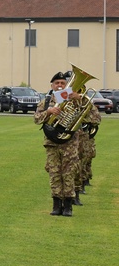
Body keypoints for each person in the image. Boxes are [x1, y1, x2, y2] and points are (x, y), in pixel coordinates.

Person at [34, 71, 82, 216]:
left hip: (69, 143)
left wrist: (78, 99)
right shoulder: (46, 101)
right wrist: (48, 112)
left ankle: (68, 206)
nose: (60, 85)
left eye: (62, 83)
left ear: (66, 84)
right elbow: (36, 119)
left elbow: (84, 115)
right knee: (54, 174)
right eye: (57, 83)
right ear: (52, 85)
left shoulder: (72, 98)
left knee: (68, 174)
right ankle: (56, 205)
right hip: (52, 143)